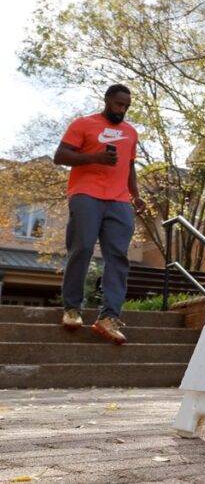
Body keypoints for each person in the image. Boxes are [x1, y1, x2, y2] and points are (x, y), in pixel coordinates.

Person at [54, 84, 145, 344]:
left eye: (126, 106)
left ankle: (109, 316)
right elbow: (60, 156)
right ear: (107, 100)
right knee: (81, 247)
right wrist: (95, 158)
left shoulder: (130, 133)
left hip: (119, 200)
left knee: (118, 257)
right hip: (86, 195)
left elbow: (129, 166)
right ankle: (72, 308)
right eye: (118, 104)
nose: (122, 110)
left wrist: (135, 194)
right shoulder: (84, 124)